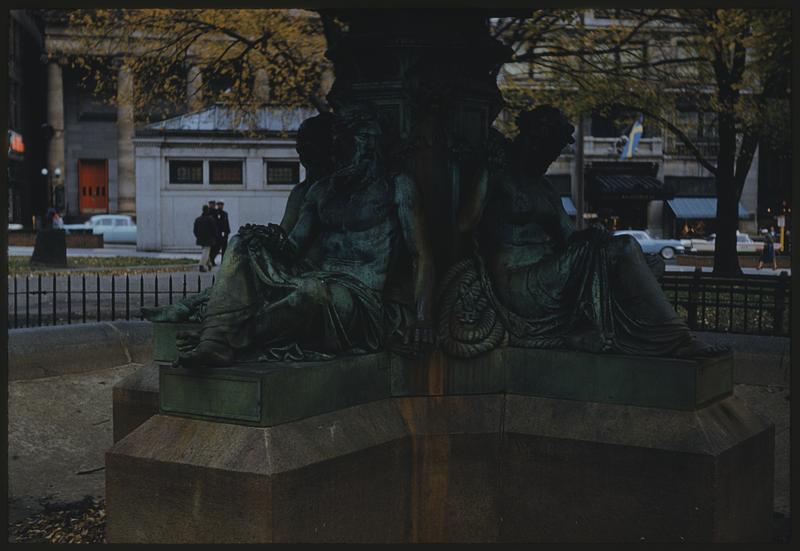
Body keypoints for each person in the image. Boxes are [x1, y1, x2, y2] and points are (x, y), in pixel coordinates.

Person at [150, 102, 435, 367]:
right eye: (341, 148)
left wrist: (422, 317)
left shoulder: (396, 187)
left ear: (372, 148)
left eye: (352, 147)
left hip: (361, 297)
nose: (342, 155)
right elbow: (293, 246)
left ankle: (224, 339)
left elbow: (422, 255)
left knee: (309, 293)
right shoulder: (322, 191)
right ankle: (215, 338)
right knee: (240, 243)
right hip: (317, 281)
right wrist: (265, 239)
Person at [464, 107, 717, 357]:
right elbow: (465, 225)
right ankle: (673, 338)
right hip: (516, 282)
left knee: (621, 246)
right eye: (549, 153)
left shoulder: (546, 190)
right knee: (622, 249)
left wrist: (595, 235)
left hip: (549, 274)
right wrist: (485, 173)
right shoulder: (497, 174)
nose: (551, 161)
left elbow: (569, 237)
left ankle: (669, 334)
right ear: (533, 142)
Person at [193, 205, 216, 272]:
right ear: (207, 210)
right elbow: (214, 229)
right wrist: (214, 236)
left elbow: (195, 230)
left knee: (205, 251)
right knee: (206, 251)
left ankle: (209, 264)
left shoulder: (198, 219)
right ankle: (201, 265)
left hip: (200, 238)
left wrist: (198, 236)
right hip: (209, 239)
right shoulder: (210, 219)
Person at [207, 199, 220, 266]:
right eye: (212, 204)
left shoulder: (216, 212)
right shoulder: (208, 212)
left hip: (215, 233)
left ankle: (211, 260)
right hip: (210, 233)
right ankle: (210, 261)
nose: (213, 205)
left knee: (216, 247)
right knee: (211, 248)